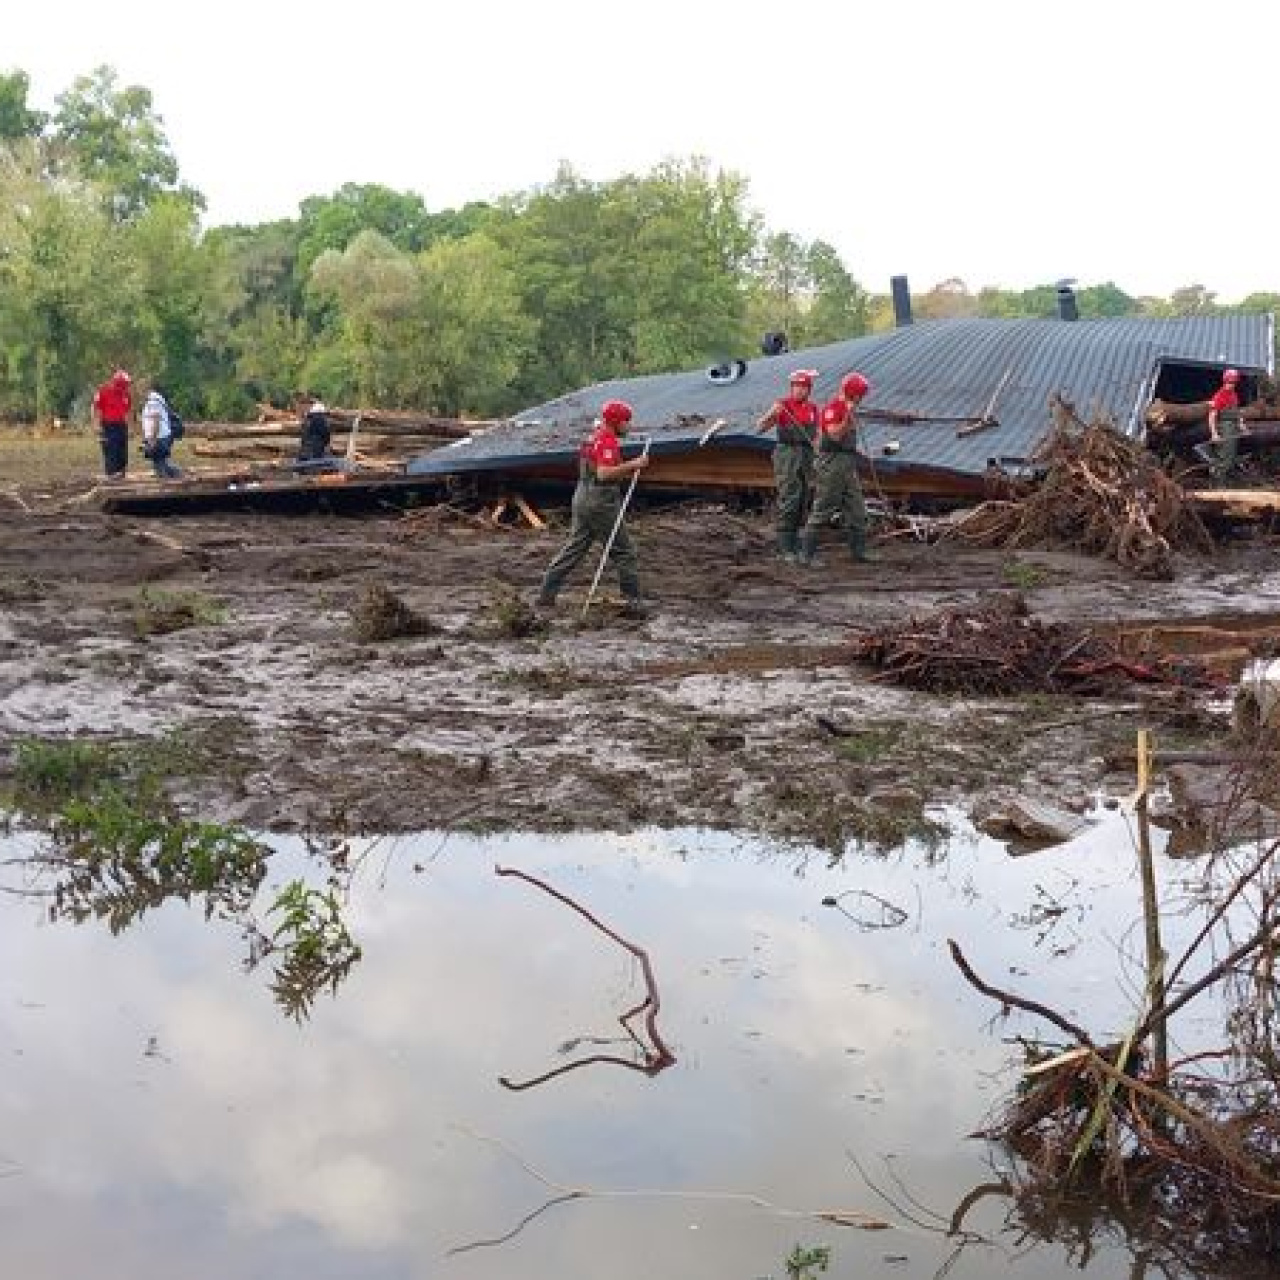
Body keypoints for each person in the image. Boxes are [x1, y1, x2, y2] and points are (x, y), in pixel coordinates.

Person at [535, 399, 651, 615]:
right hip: (600, 501)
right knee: (624, 551)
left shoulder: (593, 436)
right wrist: (634, 465)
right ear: (616, 421)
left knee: (575, 548)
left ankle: (545, 595)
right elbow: (604, 473)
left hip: (582, 496)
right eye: (626, 422)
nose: (629, 426)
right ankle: (633, 602)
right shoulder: (607, 440)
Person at [800, 371, 874, 565]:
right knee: (823, 507)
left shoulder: (848, 408)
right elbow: (834, 436)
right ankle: (806, 555)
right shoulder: (833, 408)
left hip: (847, 464)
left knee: (857, 510)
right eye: (860, 395)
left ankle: (859, 552)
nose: (861, 399)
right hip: (832, 464)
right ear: (852, 392)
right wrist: (848, 415)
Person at [756, 368, 819, 559]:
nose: (799, 391)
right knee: (790, 497)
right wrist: (771, 415)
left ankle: (798, 544)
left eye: (803, 387)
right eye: (796, 387)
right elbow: (760, 427)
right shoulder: (782, 405)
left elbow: (816, 436)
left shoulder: (813, 409)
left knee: (804, 498)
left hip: (806, 455)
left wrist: (820, 454)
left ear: (809, 390)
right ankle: (785, 547)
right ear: (791, 388)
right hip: (787, 454)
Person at [1206, 367, 1248, 479]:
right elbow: (1212, 416)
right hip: (1224, 428)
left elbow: (1236, 411)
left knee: (1231, 456)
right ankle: (1217, 483)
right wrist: (1214, 434)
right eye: (1230, 382)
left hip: (1233, 429)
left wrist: (1241, 424)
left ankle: (1225, 481)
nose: (1232, 384)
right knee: (1223, 457)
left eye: (1234, 382)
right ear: (1225, 381)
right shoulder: (1219, 396)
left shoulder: (1234, 394)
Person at [92, 368, 133, 479]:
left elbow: (128, 410)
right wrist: (96, 425)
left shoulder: (126, 394)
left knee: (122, 451)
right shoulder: (103, 391)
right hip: (108, 426)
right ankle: (111, 475)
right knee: (111, 451)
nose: (125, 388)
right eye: (123, 385)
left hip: (121, 425)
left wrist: (129, 427)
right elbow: (96, 409)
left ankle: (122, 473)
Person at [140, 383, 182, 480]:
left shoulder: (153, 401)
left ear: (146, 389)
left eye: (140, 390)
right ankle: (179, 477)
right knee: (162, 462)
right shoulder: (153, 399)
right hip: (160, 436)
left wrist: (153, 439)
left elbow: (156, 420)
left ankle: (168, 485)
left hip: (159, 437)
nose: (139, 393)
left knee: (159, 465)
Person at [297, 392, 332, 463]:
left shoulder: (310, 417)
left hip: (309, 447)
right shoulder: (319, 417)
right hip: (315, 447)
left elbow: (305, 434)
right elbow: (326, 433)